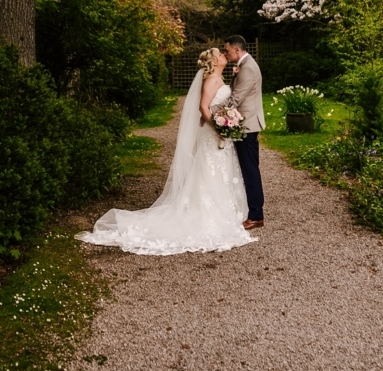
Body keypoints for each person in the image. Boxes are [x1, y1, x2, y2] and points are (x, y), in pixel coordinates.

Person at [75, 48, 255, 255]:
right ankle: (206, 214)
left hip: (218, 132)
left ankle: (223, 212)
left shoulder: (219, 78)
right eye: (220, 54)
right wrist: (218, 128)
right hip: (213, 133)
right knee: (209, 168)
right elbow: (203, 107)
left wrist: (226, 122)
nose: (224, 55)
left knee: (218, 169)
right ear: (214, 61)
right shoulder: (211, 81)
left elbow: (217, 106)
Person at [223, 35, 265, 229]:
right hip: (244, 124)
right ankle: (253, 211)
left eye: (227, 50)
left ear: (237, 50)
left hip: (246, 125)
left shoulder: (247, 68)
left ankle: (256, 215)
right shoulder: (245, 64)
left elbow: (236, 99)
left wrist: (212, 112)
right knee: (248, 168)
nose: (226, 53)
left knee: (250, 170)